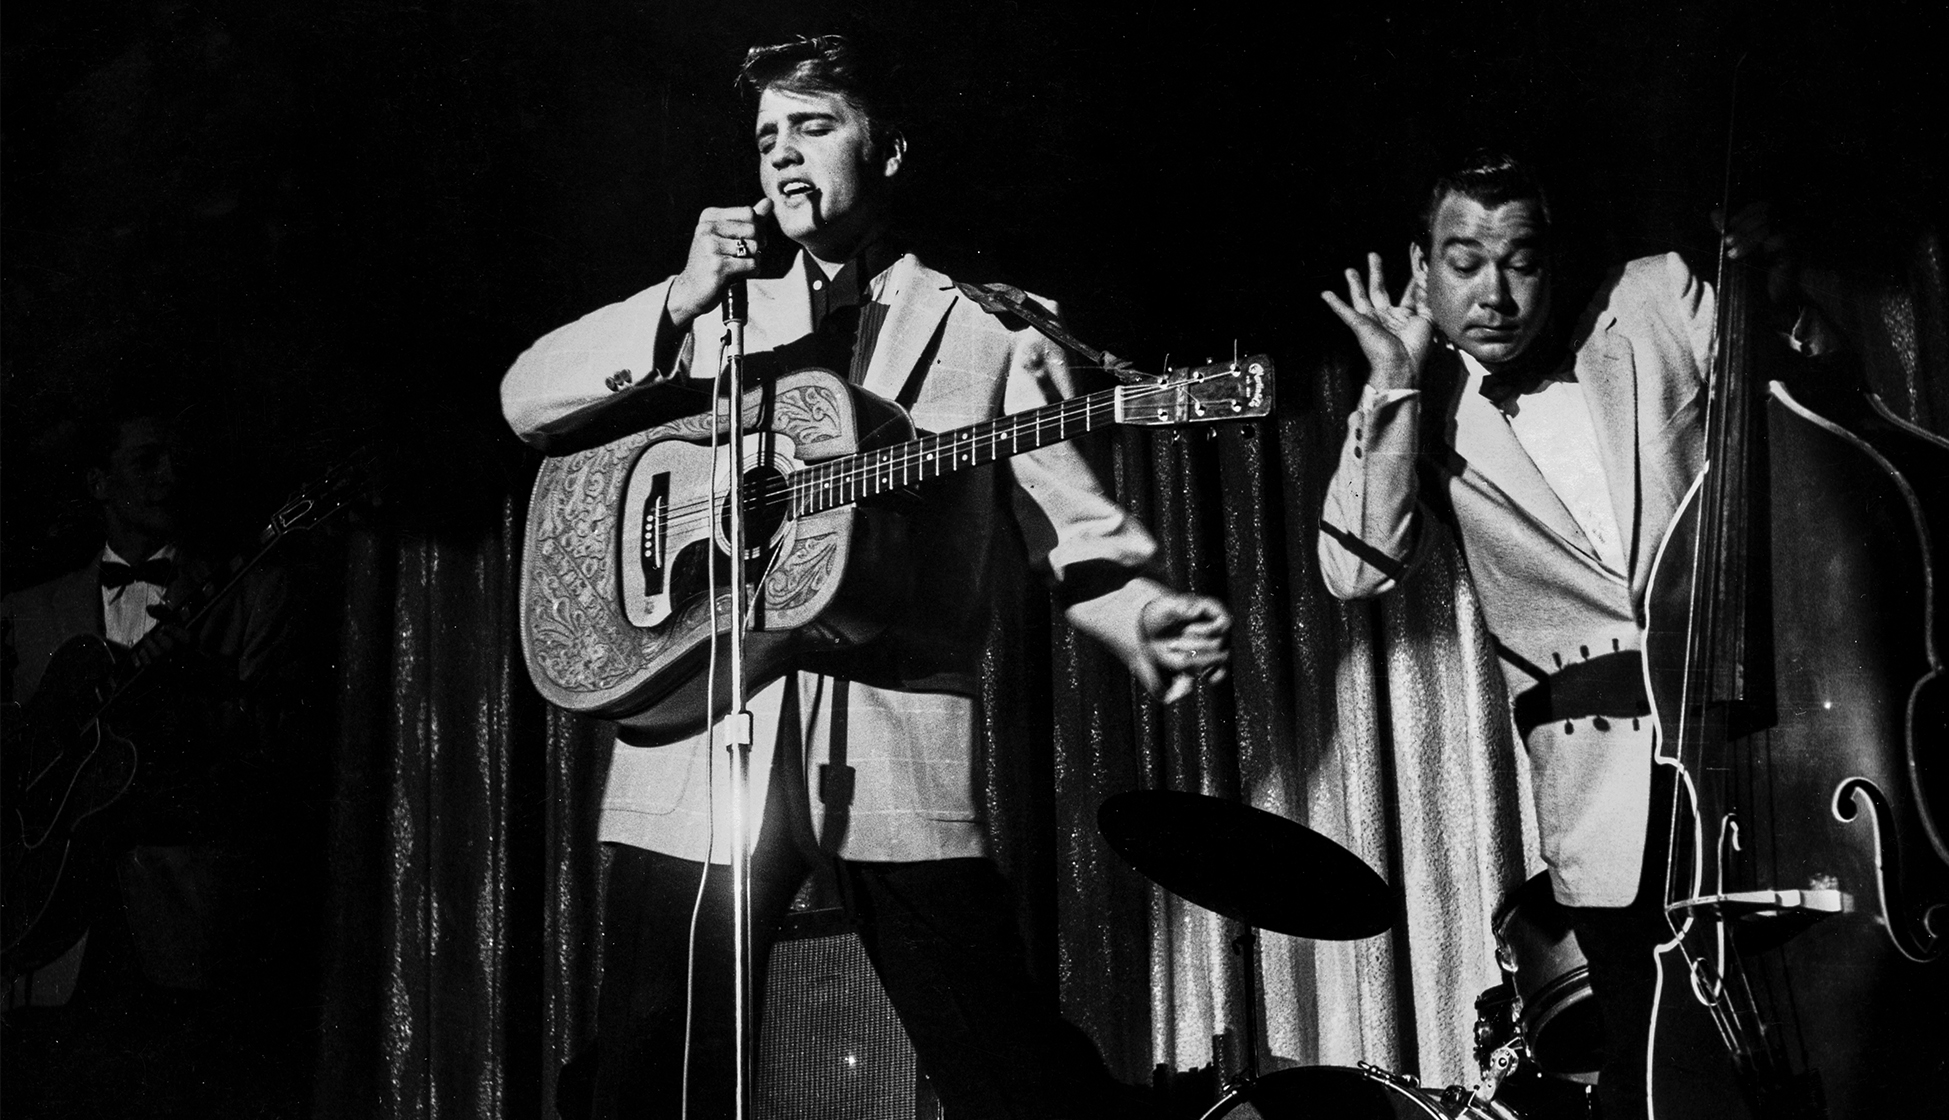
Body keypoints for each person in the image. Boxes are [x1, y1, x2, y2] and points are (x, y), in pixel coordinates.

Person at [500, 35, 1231, 1120]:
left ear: (885, 151)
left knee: (1003, 1059)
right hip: (701, 727)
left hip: (888, 734)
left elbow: (1065, 527)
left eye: (812, 125)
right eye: (765, 137)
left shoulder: (985, 325)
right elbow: (525, 400)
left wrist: (1140, 610)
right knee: (645, 1074)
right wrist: (679, 299)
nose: (782, 158)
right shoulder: (719, 314)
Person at [1315, 152, 1821, 1119]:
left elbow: (1812, 400)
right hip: (1605, 799)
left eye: (1522, 261)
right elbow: (1355, 570)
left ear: (1554, 260)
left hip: (1762, 742)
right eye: (1464, 263)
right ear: (1421, 273)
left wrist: (1779, 299)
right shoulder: (1422, 405)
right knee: (1663, 1078)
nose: (1496, 294)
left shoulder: (1656, 298)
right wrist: (1390, 382)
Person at [3, 408, 296, 1010]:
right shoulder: (26, 613)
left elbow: (278, 761)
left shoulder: (250, 592)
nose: (169, 476)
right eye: (146, 461)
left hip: (184, 931)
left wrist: (201, 697)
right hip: (49, 948)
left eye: (176, 460)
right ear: (97, 484)